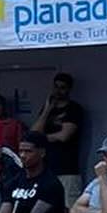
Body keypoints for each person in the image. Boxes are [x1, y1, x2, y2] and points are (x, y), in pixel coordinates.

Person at [32, 72, 84, 201]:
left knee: (68, 206)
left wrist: (42, 138)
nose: (58, 91)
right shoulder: (48, 109)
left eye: (62, 88)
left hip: (67, 169)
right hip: (46, 168)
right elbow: (34, 134)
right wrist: (47, 109)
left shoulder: (74, 109)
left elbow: (64, 136)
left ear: (69, 89)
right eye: (56, 87)